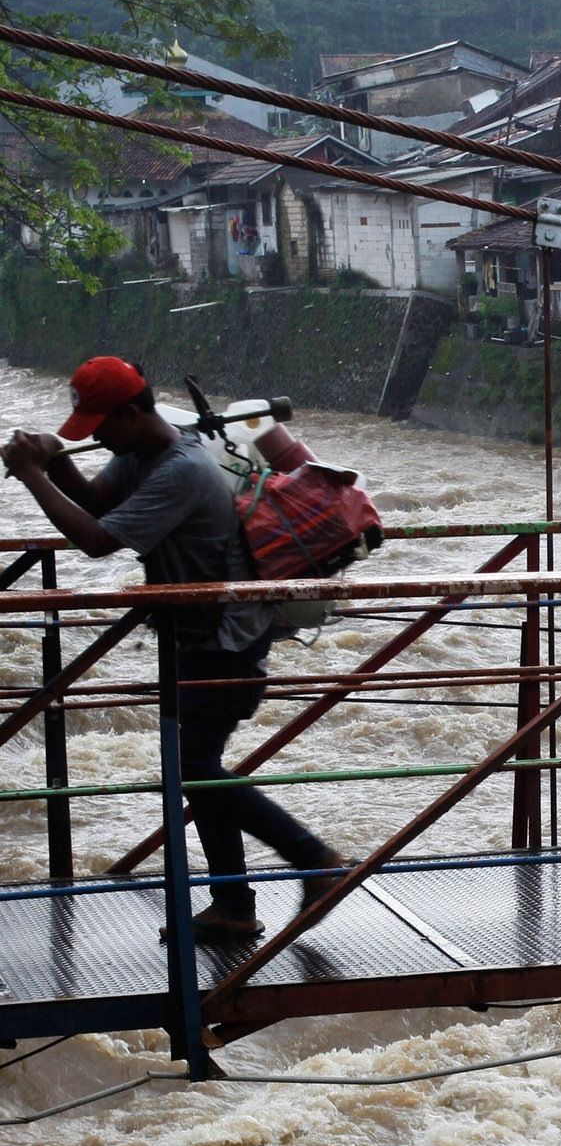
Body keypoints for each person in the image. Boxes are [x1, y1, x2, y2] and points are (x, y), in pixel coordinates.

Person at [3, 355, 344, 944]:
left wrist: (34, 474)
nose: (98, 438)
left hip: (228, 639)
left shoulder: (181, 469)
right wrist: (55, 459)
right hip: (198, 635)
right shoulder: (139, 453)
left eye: (101, 426)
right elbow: (100, 501)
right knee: (198, 770)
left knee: (196, 770)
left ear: (132, 413)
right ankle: (235, 905)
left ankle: (316, 861)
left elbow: (96, 540)